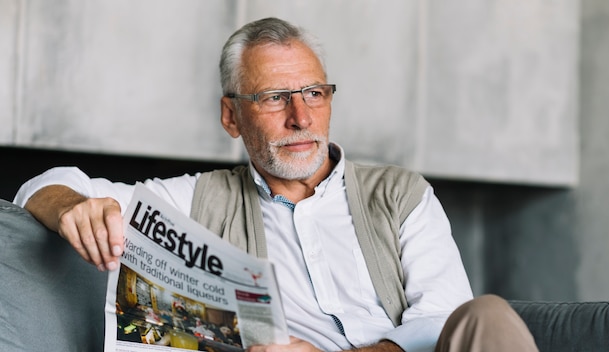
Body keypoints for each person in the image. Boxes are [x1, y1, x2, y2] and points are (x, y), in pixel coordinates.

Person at [14, 17, 537, 352]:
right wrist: (68, 207)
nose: (300, 117)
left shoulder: (401, 194)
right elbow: (50, 182)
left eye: (313, 93)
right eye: (273, 97)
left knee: (488, 316)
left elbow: (442, 317)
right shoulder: (196, 199)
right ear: (231, 116)